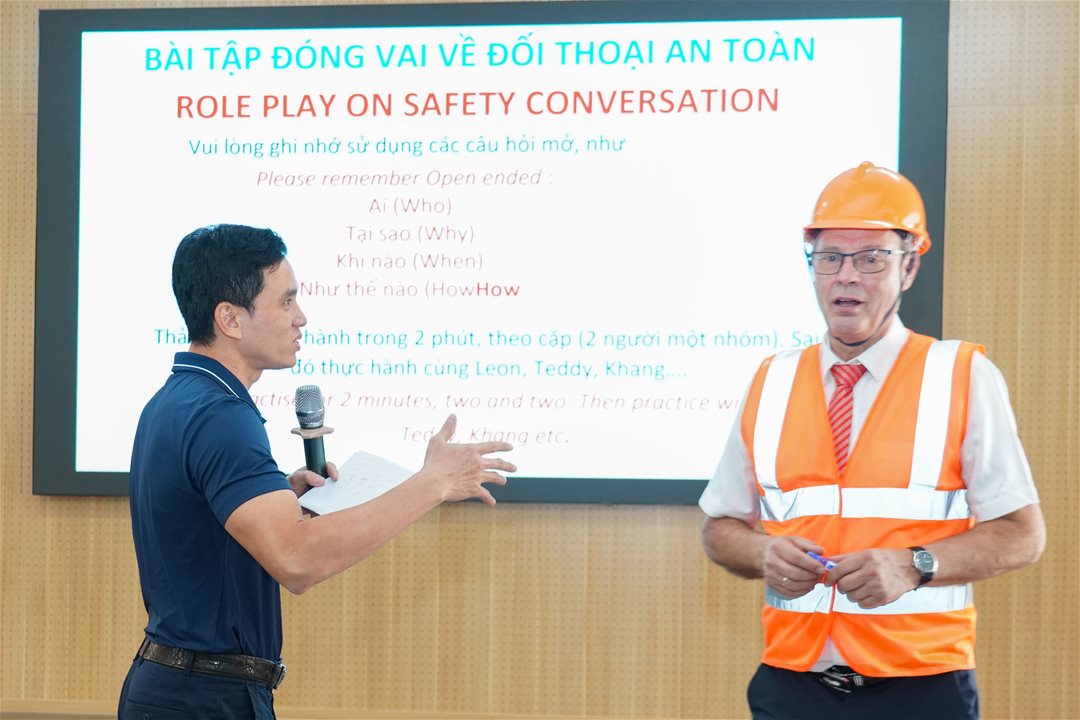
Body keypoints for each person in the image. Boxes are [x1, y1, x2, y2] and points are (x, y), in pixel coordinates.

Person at [118, 224, 516, 719]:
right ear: (230, 319)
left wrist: (280, 496)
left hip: (181, 686)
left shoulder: (177, 399)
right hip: (203, 697)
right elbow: (296, 561)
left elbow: (199, 525)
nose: (301, 318)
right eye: (286, 301)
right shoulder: (221, 415)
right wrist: (432, 482)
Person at [699, 162, 1045, 720]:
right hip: (791, 684)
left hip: (923, 687)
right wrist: (762, 553)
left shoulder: (960, 375)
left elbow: (1022, 535)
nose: (846, 277)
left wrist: (916, 565)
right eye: (829, 258)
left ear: (909, 267)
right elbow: (719, 529)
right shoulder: (771, 379)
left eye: (870, 259)